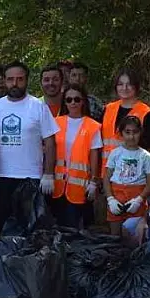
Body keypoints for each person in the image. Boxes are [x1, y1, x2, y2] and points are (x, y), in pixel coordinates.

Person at [0, 62, 59, 236]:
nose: (15, 83)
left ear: (26, 80)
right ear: (4, 81)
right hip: (0, 176)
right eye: (10, 79)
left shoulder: (38, 107)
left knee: (29, 229)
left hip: (31, 178)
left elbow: (50, 142)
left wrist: (48, 174)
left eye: (19, 79)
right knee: (0, 228)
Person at [51, 84, 103, 229]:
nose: (73, 103)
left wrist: (94, 182)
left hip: (80, 187)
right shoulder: (56, 122)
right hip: (57, 185)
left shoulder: (92, 126)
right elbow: (48, 150)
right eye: (69, 99)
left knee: (75, 227)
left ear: (83, 101)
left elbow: (94, 155)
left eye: (76, 99)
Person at [104, 116, 150, 240]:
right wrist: (110, 199)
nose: (131, 136)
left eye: (135, 132)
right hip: (117, 195)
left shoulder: (146, 156)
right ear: (121, 133)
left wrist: (139, 199)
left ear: (140, 133)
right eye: (127, 132)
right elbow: (106, 178)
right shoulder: (115, 153)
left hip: (137, 197)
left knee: (133, 236)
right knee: (115, 237)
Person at [100, 68, 150, 182]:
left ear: (136, 86)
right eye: (120, 84)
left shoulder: (146, 112)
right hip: (106, 173)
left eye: (129, 84)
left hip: (133, 176)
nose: (124, 88)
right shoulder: (108, 108)